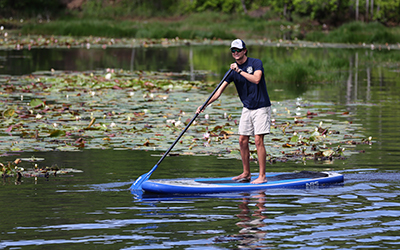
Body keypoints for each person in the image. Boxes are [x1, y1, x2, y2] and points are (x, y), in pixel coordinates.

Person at [197, 39, 271, 184]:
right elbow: (218, 92)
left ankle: (262, 176)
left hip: (261, 106)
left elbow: (256, 79)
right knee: (242, 140)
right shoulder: (231, 71)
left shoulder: (256, 63)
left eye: (238, 50)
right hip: (247, 107)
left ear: (245, 51)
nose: (235, 53)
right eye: (233, 51)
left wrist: (239, 71)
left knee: (257, 140)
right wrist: (204, 105)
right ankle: (246, 173)